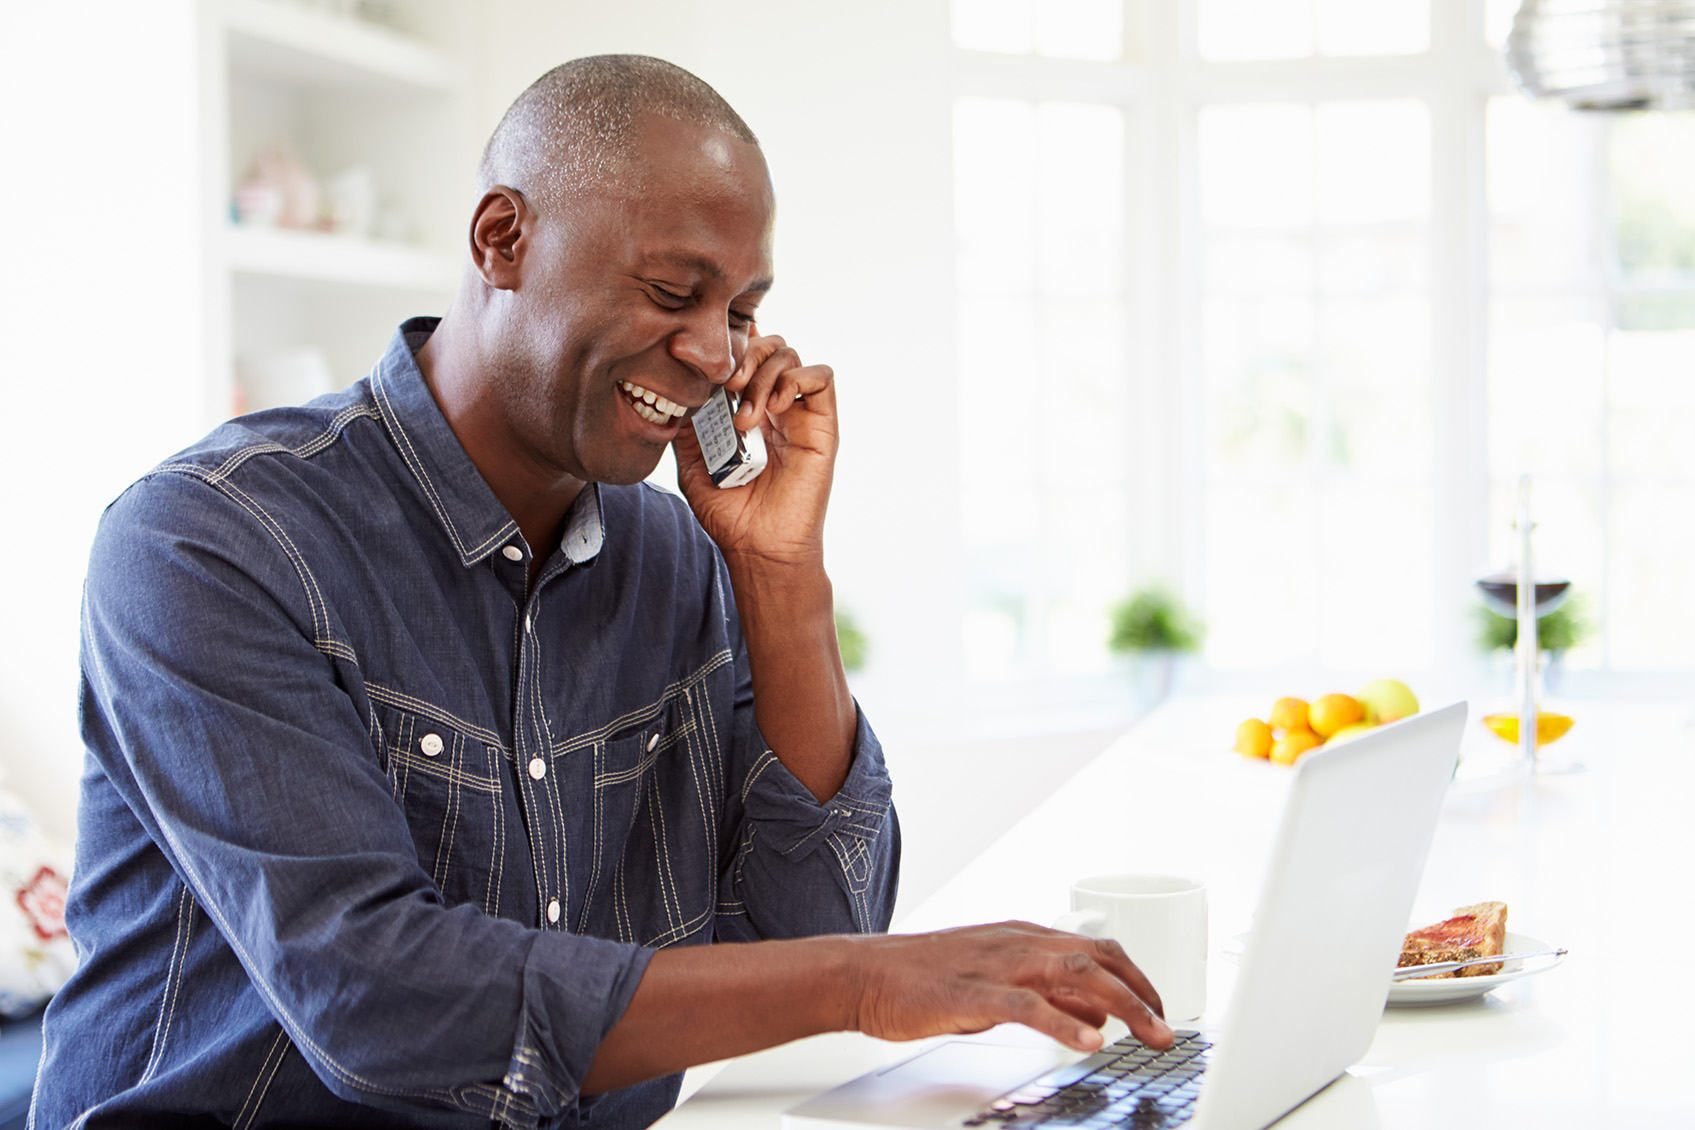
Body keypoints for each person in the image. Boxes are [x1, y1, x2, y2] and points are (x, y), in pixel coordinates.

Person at [35, 55, 1170, 1129]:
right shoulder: (212, 541)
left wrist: (779, 575)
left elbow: (810, 924)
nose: (721, 355)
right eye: (676, 289)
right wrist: (871, 981)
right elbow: (374, 994)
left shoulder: (673, 559)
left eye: (739, 308)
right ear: (503, 239)